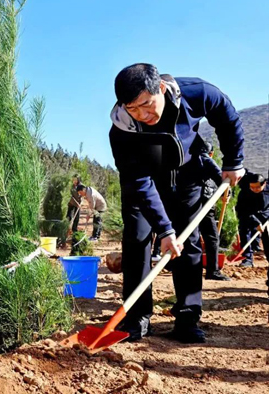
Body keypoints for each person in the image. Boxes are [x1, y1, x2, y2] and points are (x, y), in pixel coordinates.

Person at [109, 63, 244, 343]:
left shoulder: (197, 93)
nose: (142, 115)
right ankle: (136, 318)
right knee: (137, 239)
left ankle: (187, 316)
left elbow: (227, 116)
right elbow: (138, 182)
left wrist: (233, 162)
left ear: (160, 88)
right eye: (132, 109)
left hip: (186, 174)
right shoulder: (121, 128)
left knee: (189, 242)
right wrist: (165, 230)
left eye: (146, 105)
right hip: (144, 181)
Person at [199, 141, 231, 281]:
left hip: (192, 205)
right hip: (203, 206)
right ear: (211, 154)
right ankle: (212, 271)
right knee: (211, 238)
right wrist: (227, 192)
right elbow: (221, 178)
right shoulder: (206, 160)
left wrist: (226, 194)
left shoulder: (187, 159)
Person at [235, 172, 269, 268]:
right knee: (245, 232)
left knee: (267, 236)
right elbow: (242, 210)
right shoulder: (244, 193)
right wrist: (256, 222)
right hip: (248, 214)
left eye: (257, 187)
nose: (254, 190)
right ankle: (247, 259)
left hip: (265, 214)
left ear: (264, 184)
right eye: (252, 187)